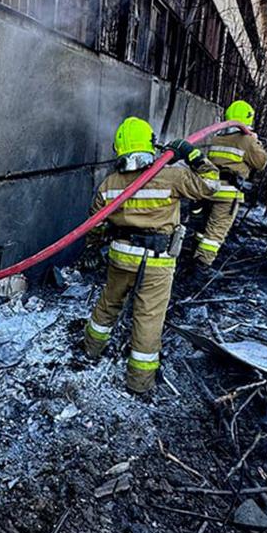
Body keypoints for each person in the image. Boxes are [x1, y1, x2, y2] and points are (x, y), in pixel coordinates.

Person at [82, 117, 216, 394]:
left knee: (108, 304)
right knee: (148, 318)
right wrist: (192, 155)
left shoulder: (110, 184)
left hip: (120, 256)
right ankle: (139, 383)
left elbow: (94, 224)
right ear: (149, 143)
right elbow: (211, 186)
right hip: (157, 261)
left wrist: (92, 250)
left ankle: (90, 350)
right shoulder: (173, 177)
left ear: (119, 147)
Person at [191, 100, 267, 268]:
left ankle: (194, 253)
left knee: (205, 225)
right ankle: (201, 265)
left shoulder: (217, 138)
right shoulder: (247, 141)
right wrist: (256, 143)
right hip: (229, 194)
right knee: (216, 231)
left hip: (209, 189)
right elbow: (260, 163)